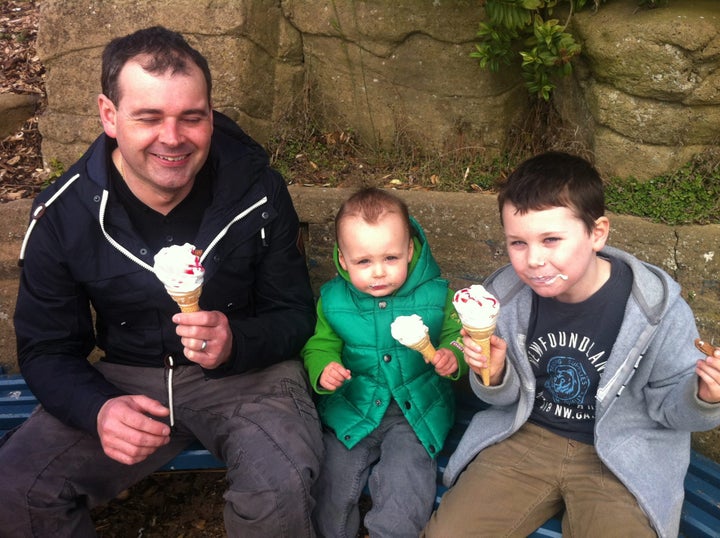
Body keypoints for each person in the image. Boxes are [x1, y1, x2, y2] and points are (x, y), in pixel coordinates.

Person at [0, 26, 324, 537]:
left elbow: (295, 313)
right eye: (148, 118)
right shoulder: (65, 214)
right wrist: (97, 408)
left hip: (249, 378)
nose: (172, 138)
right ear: (110, 116)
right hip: (127, 380)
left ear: (209, 116)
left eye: (191, 118)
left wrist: (237, 340)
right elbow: (45, 347)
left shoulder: (256, 190)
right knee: (17, 490)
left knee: (279, 483)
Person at [422, 151, 720, 537]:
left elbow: (673, 414)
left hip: (620, 453)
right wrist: (494, 376)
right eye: (517, 243)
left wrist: (705, 398)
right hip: (524, 437)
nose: (533, 260)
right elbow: (501, 400)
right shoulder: (504, 298)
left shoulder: (656, 310)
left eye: (551, 239)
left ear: (597, 233)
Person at [302, 187, 468, 537]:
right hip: (353, 406)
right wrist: (324, 369)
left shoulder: (437, 295)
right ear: (343, 260)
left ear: (409, 251)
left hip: (416, 412)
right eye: (364, 262)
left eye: (390, 258)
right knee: (331, 479)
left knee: (405, 482)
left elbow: (457, 333)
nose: (378, 272)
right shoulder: (333, 300)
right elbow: (319, 345)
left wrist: (452, 355)